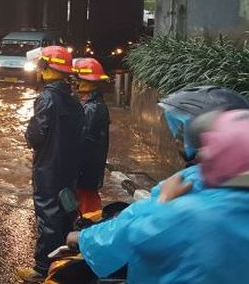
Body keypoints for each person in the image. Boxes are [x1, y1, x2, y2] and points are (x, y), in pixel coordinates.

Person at [66, 86, 249, 281]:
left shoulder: (192, 204)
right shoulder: (217, 186)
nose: (179, 138)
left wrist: (84, 239)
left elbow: (138, 232)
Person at [17, 46, 84, 283]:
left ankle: (43, 269)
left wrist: (29, 130)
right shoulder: (73, 98)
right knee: (66, 213)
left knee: (48, 217)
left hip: (49, 169)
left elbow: (36, 135)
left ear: (47, 67)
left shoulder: (47, 97)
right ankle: (63, 262)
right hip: (68, 169)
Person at [73, 57, 111, 215]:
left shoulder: (92, 108)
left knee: (88, 205)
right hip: (88, 169)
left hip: (86, 169)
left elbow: (83, 141)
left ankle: (90, 230)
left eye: (78, 80)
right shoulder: (91, 104)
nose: (76, 84)